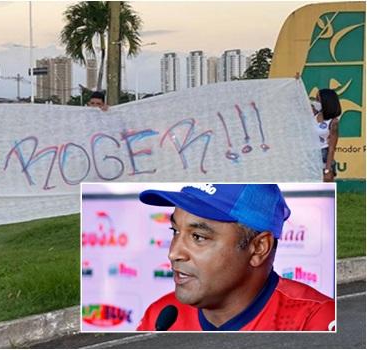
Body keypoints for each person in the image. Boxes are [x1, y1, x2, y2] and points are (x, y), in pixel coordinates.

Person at [136, 184, 335, 331]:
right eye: (175, 231)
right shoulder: (160, 314)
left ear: (258, 248)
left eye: (198, 237)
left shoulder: (314, 319)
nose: (173, 253)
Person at [311, 89, 341, 182]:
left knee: (324, 189)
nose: (316, 102)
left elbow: (332, 148)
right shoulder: (313, 115)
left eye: (318, 99)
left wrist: (327, 170)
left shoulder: (333, 122)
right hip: (311, 155)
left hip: (324, 154)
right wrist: (296, 81)